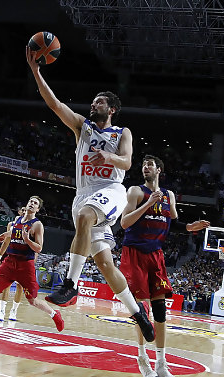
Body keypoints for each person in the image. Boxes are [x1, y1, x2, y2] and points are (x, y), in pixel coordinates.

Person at [26, 47, 155, 342]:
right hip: (83, 193)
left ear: (111, 109)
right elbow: (55, 104)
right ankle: (138, 313)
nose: (93, 104)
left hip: (111, 190)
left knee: (85, 217)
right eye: (93, 101)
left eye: (100, 102)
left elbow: (127, 162)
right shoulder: (81, 127)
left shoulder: (122, 132)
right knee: (107, 266)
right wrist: (36, 71)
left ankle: (70, 283)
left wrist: (106, 157)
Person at [120, 154, 210, 377]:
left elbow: (174, 224)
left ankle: (162, 363)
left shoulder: (169, 195)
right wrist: (149, 204)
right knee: (142, 312)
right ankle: (143, 359)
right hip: (135, 254)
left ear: (159, 169)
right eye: (143, 165)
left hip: (156, 255)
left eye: (150, 165)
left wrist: (189, 227)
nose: (146, 168)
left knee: (160, 312)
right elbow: (124, 223)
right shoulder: (135, 192)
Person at [0, 196, 64, 337]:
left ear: (38, 209)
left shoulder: (37, 225)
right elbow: (15, 233)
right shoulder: (17, 220)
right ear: (26, 205)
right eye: (31, 201)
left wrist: (27, 240)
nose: (32, 204)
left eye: (35, 203)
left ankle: (54, 314)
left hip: (25, 265)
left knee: (32, 300)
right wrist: (6, 234)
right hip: (9, 262)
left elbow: (39, 248)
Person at [0, 207, 26, 322]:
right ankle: (1, 311)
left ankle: (14, 311)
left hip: (23, 259)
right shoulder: (11, 224)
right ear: (18, 212)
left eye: (25, 210)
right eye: (22, 210)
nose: (24, 212)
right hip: (11, 257)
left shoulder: (30, 225)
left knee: (20, 286)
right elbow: (6, 241)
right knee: (6, 285)